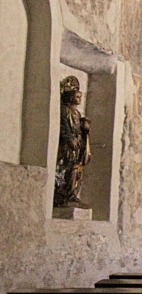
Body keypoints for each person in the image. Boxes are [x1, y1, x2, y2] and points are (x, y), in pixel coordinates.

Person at [53, 75, 91, 208]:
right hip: (68, 146)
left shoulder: (77, 113)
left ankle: (72, 193)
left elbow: (79, 129)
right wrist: (70, 140)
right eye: (77, 96)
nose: (79, 99)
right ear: (70, 97)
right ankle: (64, 194)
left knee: (77, 169)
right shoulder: (65, 111)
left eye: (80, 97)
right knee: (67, 168)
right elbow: (64, 127)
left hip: (77, 145)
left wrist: (85, 128)